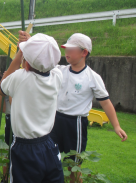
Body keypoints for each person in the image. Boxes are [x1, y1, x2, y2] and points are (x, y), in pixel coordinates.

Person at [19, 31, 128, 183]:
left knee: (74, 166)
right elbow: (41, 59)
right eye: (65, 49)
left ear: (84, 52)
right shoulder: (59, 70)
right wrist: (32, 43)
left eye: (71, 49)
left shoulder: (92, 77)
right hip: (54, 120)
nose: (66, 52)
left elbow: (105, 102)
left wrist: (116, 126)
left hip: (75, 124)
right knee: (48, 158)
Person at [0, 33, 64, 183]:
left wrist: (19, 55)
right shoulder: (57, 76)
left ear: (26, 63)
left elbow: (2, 90)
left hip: (25, 148)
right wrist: (34, 48)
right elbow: (46, 63)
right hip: (49, 144)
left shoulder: (20, 78)